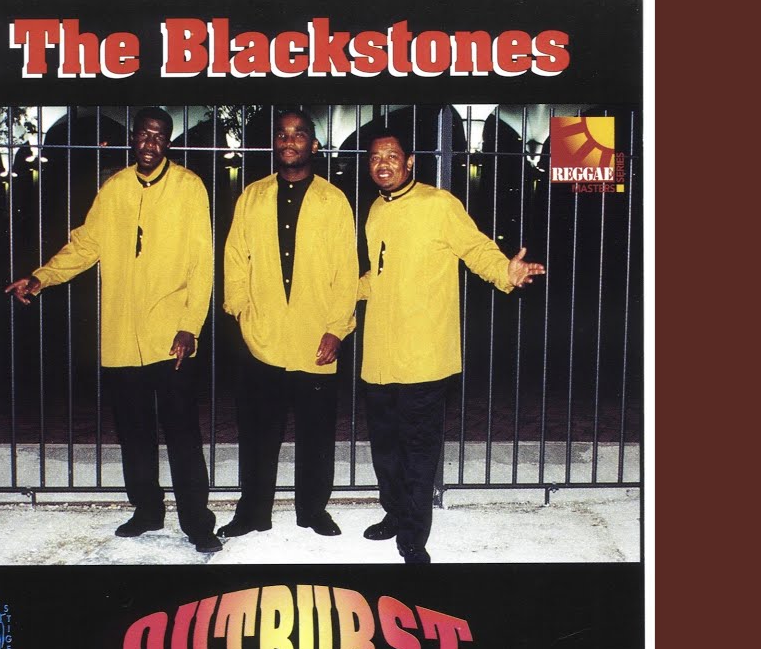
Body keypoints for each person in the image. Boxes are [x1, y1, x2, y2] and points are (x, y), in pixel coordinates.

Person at [4, 107, 221, 553]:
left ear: (168, 142)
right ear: (133, 138)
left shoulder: (189, 187)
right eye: (143, 135)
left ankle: (197, 523)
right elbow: (87, 244)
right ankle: (147, 510)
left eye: (159, 137)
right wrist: (41, 277)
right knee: (134, 433)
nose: (150, 144)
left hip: (171, 335)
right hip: (122, 335)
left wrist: (189, 326)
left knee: (182, 435)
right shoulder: (115, 188)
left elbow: (202, 263)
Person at [358, 129, 545, 564]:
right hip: (379, 354)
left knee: (418, 450)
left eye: (392, 156)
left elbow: (474, 247)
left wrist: (505, 271)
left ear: (410, 162)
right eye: (375, 157)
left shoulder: (439, 204)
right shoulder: (375, 210)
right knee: (385, 447)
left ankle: (413, 535)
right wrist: (337, 294)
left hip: (425, 354)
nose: (383, 164)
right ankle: (394, 513)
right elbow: (377, 275)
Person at [217, 109, 359, 539]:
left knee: (316, 433)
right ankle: (253, 513)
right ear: (274, 143)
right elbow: (234, 257)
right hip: (262, 337)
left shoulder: (333, 200)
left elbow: (346, 271)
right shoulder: (252, 196)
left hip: (317, 337)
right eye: (282, 134)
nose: (289, 141)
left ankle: (312, 511)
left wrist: (336, 328)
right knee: (258, 433)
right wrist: (241, 310)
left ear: (313, 145)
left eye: (299, 134)